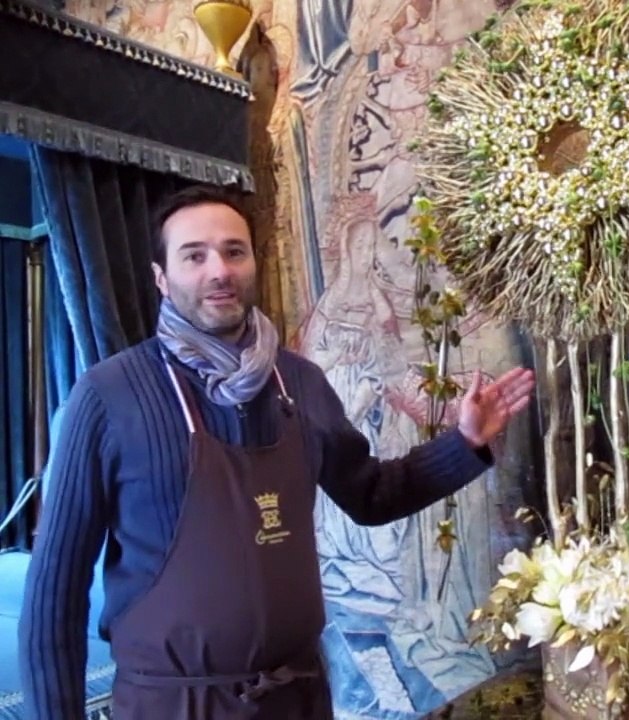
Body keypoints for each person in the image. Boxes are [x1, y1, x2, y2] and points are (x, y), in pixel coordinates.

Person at [17, 185, 536, 720]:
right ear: (161, 278)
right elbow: (55, 594)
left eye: (234, 251)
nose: (219, 269)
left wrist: (465, 442)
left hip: (299, 699)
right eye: (194, 255)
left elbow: (372, 494)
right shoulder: (108, 395)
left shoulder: (299, 382)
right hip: (173, 706)